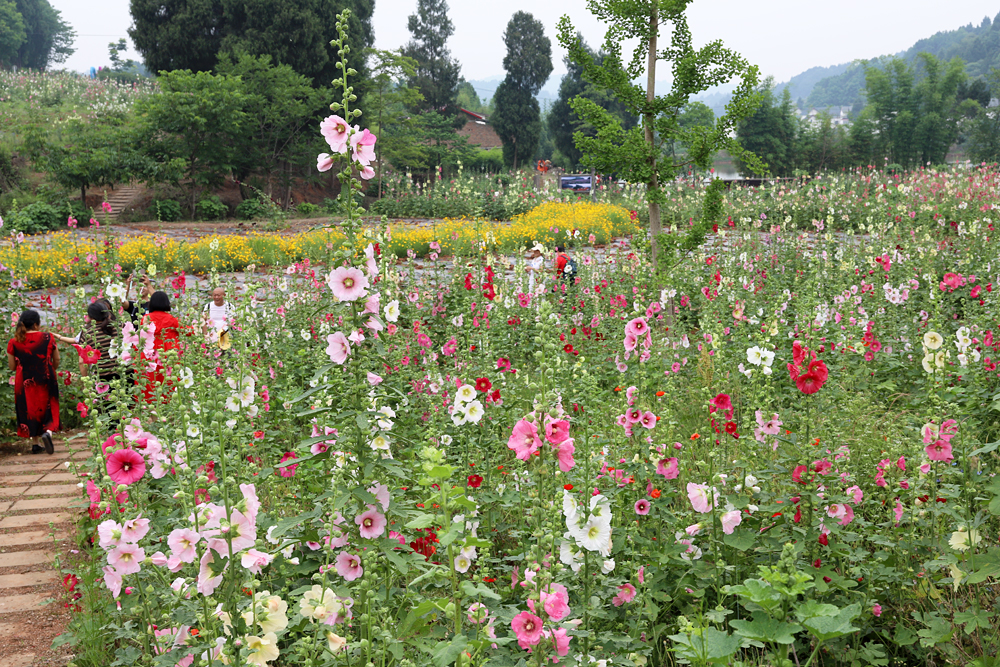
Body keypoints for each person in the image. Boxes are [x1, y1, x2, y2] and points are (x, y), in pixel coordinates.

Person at [6, 310, 59, 454]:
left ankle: (35, 444)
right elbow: (57, 359)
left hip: (24, 381)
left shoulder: (14, 341)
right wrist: (51, 369)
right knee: (48, 405)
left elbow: (12, 366)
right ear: (36, 324)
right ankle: (47, 432)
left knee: (29, 409)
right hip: (46, 377)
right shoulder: (48, 337)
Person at [140, 291, 190, 403]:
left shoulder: (146, 318)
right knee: (169, 384)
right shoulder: (171, 319)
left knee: (150, 384)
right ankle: (169, 409)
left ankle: (151, 410)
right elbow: (188, 331)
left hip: (150, 355)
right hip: (168, 355)